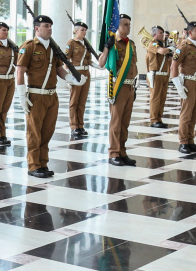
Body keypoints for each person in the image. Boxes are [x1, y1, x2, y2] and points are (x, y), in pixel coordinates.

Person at [16, 14, 86, 177]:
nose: (49, 29)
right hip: (35, 94)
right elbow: (20, 71)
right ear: (37, 28)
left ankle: (43, 163)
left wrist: (72, 79)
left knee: (47, 131)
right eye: (46, 26)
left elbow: (59, 69)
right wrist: (21, 95)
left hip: (51, 95)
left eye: (50, 26)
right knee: (34, 132)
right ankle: (33, 165)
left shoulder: (53, 48)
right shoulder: (29, 46)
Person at [99, 14, 137, 166]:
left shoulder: (131, 44)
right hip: (118, 86)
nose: (128, 27)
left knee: (125, 122)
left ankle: (122, 152)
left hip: (129, 86)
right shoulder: (112, 43)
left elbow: (134, 65)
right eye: (125, 25)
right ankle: (113, 152)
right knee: (116, 121)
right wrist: (107, 48)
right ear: (117, 26)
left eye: (129, 24)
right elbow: (101, 63)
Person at [171, 21, 196, 154]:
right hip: (188, 82)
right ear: (190, 32)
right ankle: (183, 142)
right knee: (186, 114)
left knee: (195, 113)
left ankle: (190, 140)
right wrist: (178, 86)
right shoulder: (184, 46)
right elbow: (174, 66)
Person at [64, 21, 102, 137]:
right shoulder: (71, 43)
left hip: (86, 72)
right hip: (76, 72)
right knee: (74, 101)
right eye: (82, 30)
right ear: (76, 31)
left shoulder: (86, 44)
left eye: (85, 30)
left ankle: (80, 125)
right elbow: (66, 60)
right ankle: (74, 126)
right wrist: (69, 77)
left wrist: (99, 66)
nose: (84, 32)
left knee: (82, 101)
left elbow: (89, 60)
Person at [145, 25, 173, 128]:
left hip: (164, 75)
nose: (163, 35)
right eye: (161, 33)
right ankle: (153, 120)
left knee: (162, 98)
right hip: (156, 75)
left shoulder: (162, 44)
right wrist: (170, 48)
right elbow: (161, 51)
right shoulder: (153, 44)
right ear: (155, 34)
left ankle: (159, 118)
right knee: (155, 98)